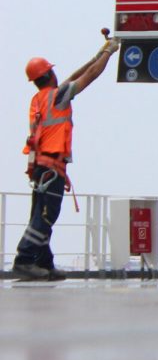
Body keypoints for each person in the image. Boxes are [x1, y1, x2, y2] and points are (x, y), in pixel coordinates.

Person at [14, 37, 120, 281]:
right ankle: (24, 259)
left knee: (40, 216)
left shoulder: (42, 98)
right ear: (49, 74)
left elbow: (73, 77)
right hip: (52, 168)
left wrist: (97, 55)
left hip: (41, 168)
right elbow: (90, 76)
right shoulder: (57, 96)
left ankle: (44, 264)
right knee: (46, 216)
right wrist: (109, 53)